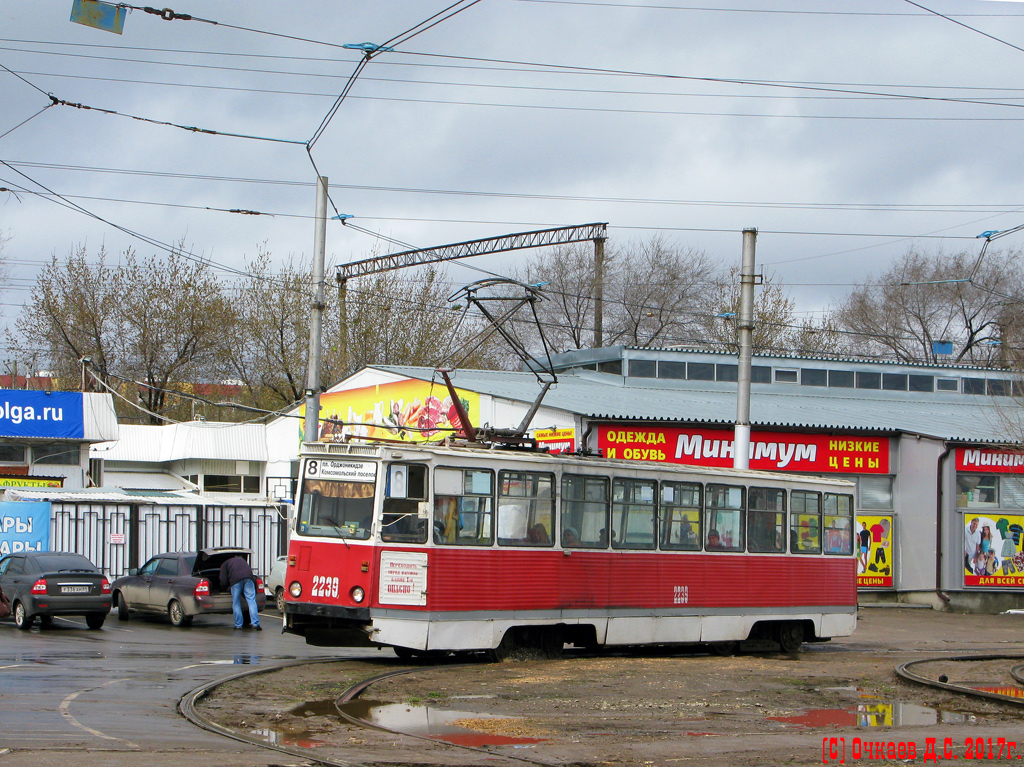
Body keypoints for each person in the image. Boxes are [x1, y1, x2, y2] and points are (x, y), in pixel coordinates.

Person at [219, 555, 261, 631]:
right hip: (249, 579)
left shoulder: (224, 564)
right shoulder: (242, 560)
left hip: (236, 581)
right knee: (251, 600)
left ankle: (238, 625)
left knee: (236, 602)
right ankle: (255, 624)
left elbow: (223, 580)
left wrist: (224, 588)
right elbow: (250, 573)